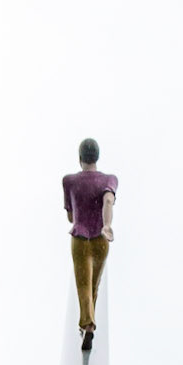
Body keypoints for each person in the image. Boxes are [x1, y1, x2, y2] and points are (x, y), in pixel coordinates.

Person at [63, 137, 117, 350]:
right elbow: (108, 200)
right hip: (101, 238)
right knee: (94, 283)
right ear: (97, 157)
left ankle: (88, 324)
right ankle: (89, 322)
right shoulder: (109, 180)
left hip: (80, 238)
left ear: (80, 158)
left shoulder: (70, 181)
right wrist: (107, 224)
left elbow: (70, 217)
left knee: (83, 283)